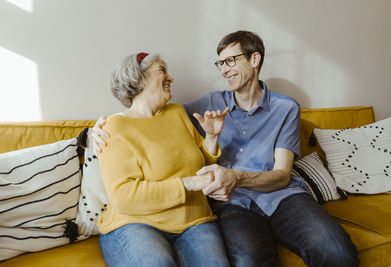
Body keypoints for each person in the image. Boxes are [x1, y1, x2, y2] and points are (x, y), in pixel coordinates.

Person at [94, 31, 360, 267]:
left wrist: (228, 166)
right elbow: (143, 117)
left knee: (337, 251)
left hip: (279, 196)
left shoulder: (285, 108)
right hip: (231, 202)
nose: (224, 70)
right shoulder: (206, 104)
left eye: (231, 61)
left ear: (254, 60)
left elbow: (282, 175)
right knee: (249, 261)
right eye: (221, 63)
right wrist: (97, 128)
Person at [96, 52, 230, 267]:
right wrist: (188, 184)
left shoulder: (176, 113)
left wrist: (212, 137)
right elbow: (124, 196)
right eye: (162, 70)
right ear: (139, 78)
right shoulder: (114, 127)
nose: (171, 78)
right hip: (137, 223)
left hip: (194, 220)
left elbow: (202, 165)